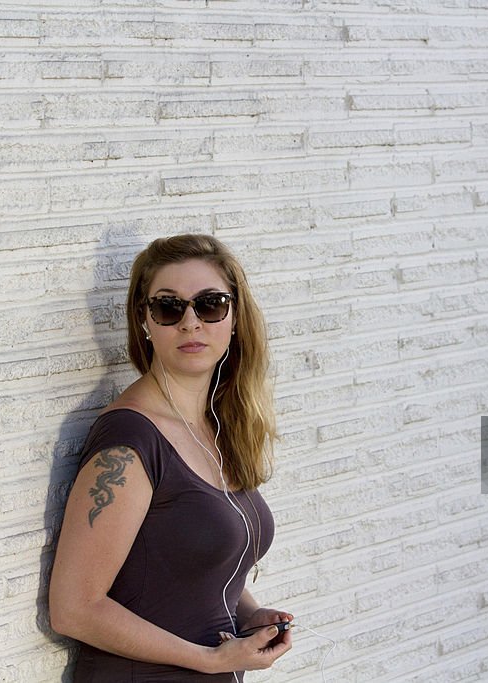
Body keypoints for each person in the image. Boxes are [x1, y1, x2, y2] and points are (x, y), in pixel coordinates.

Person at [50, 234, 293, 681]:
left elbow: (188, 565)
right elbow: (74, 609)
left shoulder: (216, 427)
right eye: (168, 307)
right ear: (144, 320)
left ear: (235, 316)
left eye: (210, 304)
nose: (190, 322)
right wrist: (210, 660)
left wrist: (250, 616)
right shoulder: (128, 442)